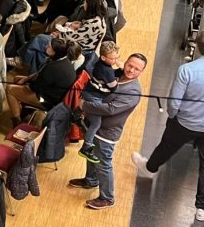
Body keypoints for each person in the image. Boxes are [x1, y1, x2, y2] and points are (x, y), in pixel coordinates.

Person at [132, 34, 204, 222]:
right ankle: (201, 208)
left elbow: (174, 102)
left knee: (166, 146)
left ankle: (150, 168)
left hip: (184, 122)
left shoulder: (187, 70)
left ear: (198, 46)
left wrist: (173, 117)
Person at [68, 53, 146, 210]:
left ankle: (107, 198)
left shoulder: (133, 91)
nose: (131, 70)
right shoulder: (117, 75)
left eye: (136, 69)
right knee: (91, 155)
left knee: (104, 164)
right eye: (130, 65)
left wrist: (84, 105)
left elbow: (110, 109)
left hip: (107, 133)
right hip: (95, 126)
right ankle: (90, 180)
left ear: (141, 72)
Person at [6, 37, 78, 126]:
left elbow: (33, 88)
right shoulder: (63, 60)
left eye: (49, 46)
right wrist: (25, 79)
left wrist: (21, 86)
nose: (46, 46)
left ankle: (16, 121)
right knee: (17, 78)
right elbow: (39, 73)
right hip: (51, 92)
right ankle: (26, 109)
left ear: (55, 52)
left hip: (48, 100)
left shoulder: (53, 68)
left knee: (9, 89)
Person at [76, 41, 120, 162]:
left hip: (89, 92)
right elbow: (114, 87)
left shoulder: (101, 64)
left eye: (117, 57)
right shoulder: (107, 70)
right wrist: (120, 71)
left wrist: (118, 71)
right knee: (96, 124)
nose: (116, 61)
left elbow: (109, 75)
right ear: (103, 57)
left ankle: (79, 119)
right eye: (113, 58)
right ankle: (86, 147)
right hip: (94, 97)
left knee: (94, 122)